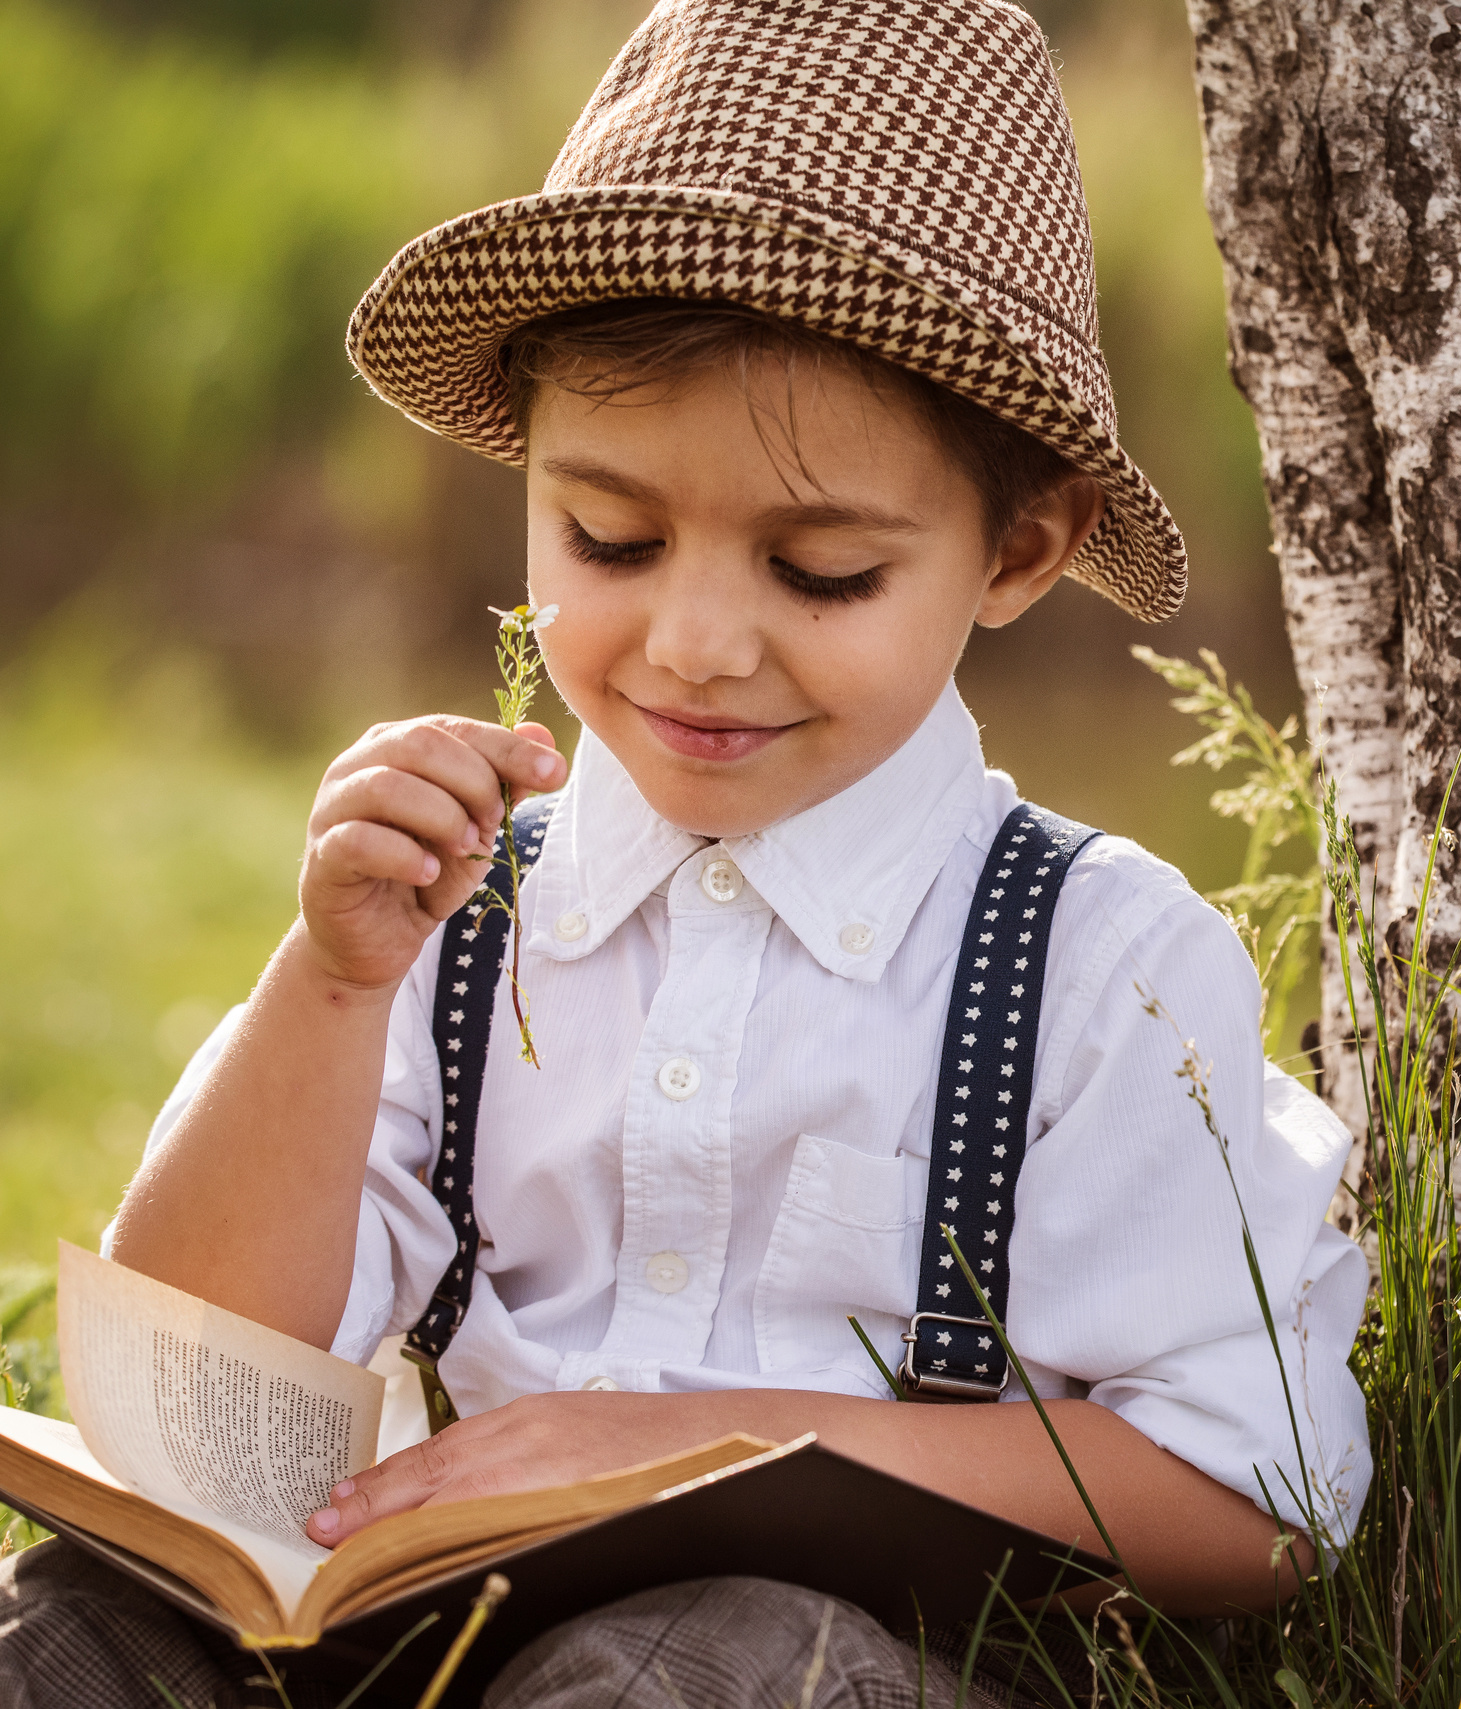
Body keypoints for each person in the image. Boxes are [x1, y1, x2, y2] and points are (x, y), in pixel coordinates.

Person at [0, 4, 1370, 1706]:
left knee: (688, 1670)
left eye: (821, 572)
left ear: (1020, 547)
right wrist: (333, 984)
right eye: (612, 537)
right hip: (439, 1631)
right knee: (60, 1627)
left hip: (848, 1657)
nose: (696, 641)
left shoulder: (1094, 959)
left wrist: (725, 1437)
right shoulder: (464, 919)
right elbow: (185, 1390)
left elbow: (1258, 1493)